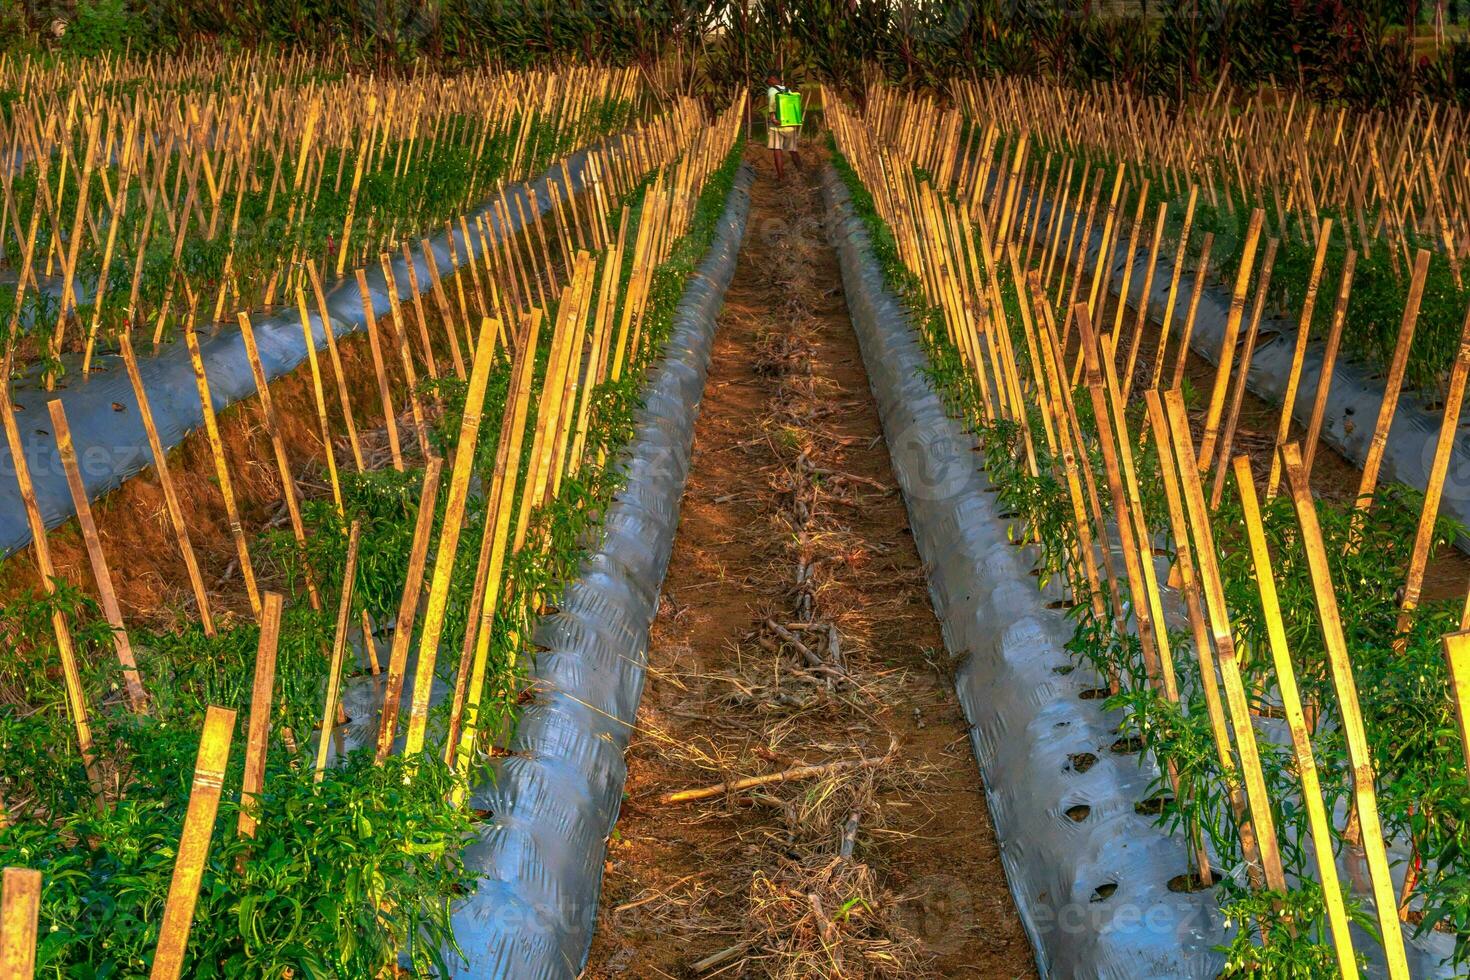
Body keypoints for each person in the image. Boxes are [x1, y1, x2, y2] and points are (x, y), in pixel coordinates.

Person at [765, 72, 803, 180]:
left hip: (776, 125)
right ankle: (801, 171)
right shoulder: (788, 90)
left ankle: (781, 177)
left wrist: (772, 117)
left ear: (772, 79)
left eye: (768, 81)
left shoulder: (772, 91)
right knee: (793, 150)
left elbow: (772, 103)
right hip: (790, 125)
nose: (768, 83)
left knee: (777, 150)